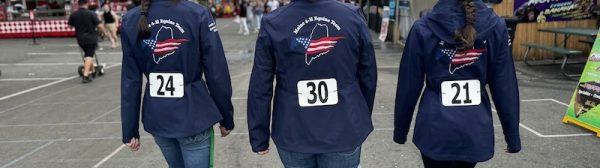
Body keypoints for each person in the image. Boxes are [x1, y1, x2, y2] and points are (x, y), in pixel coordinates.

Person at [247, 0, 377, 167]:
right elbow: (368, 74)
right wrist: (361, 115)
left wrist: (259, 135)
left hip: (293, 130)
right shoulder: (351, 16)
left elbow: (260, 85)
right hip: (343, 126)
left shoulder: (274, 21)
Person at [393, 0, 521, 168]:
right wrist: (512, 137)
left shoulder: (422, 27)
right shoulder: (496, 26)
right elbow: (504, 85)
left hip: (435, 126)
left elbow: (409, 84)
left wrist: (400, 131)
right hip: (474, 126)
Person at [119, 0, 234, 166]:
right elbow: (216, 71)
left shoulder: (130, 19)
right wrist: (226, 117)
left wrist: (129, 130)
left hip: (157, 115)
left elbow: (130, 80)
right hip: (192, 115)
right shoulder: (197, 13)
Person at [68, 0, 105, 83]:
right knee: (89, 55)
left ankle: (92, 70)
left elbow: (69, 26)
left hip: (80, 38)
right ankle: (86, 75)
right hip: (91, 37)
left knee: (87, 54)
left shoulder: (74, 14)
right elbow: (100, 25)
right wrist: (103, 32)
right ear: (86, 4)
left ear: (78, 5)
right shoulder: (91, 13)